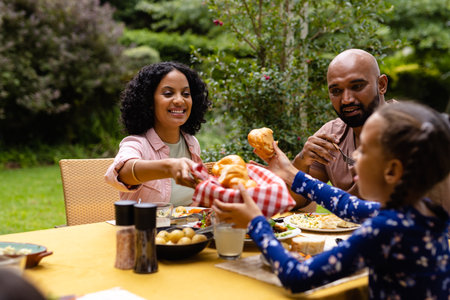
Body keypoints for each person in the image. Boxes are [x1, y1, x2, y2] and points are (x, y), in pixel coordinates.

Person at [213, 102, 450, 298]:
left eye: (364, 150)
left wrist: (257, 223)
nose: (355, 155)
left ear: (392, 171)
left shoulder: (386, 228)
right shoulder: (421, 212)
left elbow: (299, 277)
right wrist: (290, 173)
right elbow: (348, 206)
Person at [289, 48, 449, 214]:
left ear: (381, 85)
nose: (346, 99)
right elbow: (296, 201)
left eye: (357, 86)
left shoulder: (413, 134)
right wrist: (302, 160)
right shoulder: (331, 136)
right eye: (336, 91)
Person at [105, 62, 211, 206]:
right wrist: (169, 167)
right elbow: (122, 173)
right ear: (149, 101)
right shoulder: (136, 144)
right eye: (168, 93)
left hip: (188, 228)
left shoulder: (191, 143)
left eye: (186, 94)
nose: (180, 100)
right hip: (145, 228)